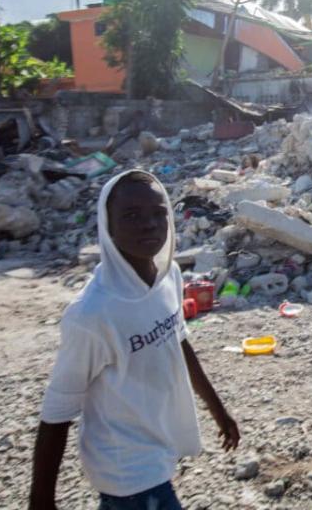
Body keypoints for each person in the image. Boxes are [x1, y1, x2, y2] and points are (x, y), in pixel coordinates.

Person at [29, 171, 239, 509]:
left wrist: (219, 411)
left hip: (159, 442)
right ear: (107, 226)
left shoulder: (169, 276)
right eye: (131, 215)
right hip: (125, 465)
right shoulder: (92, 314)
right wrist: (41, 500)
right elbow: (57, 410)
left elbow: (179, 342)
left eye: (159, 214)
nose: (150, 225)